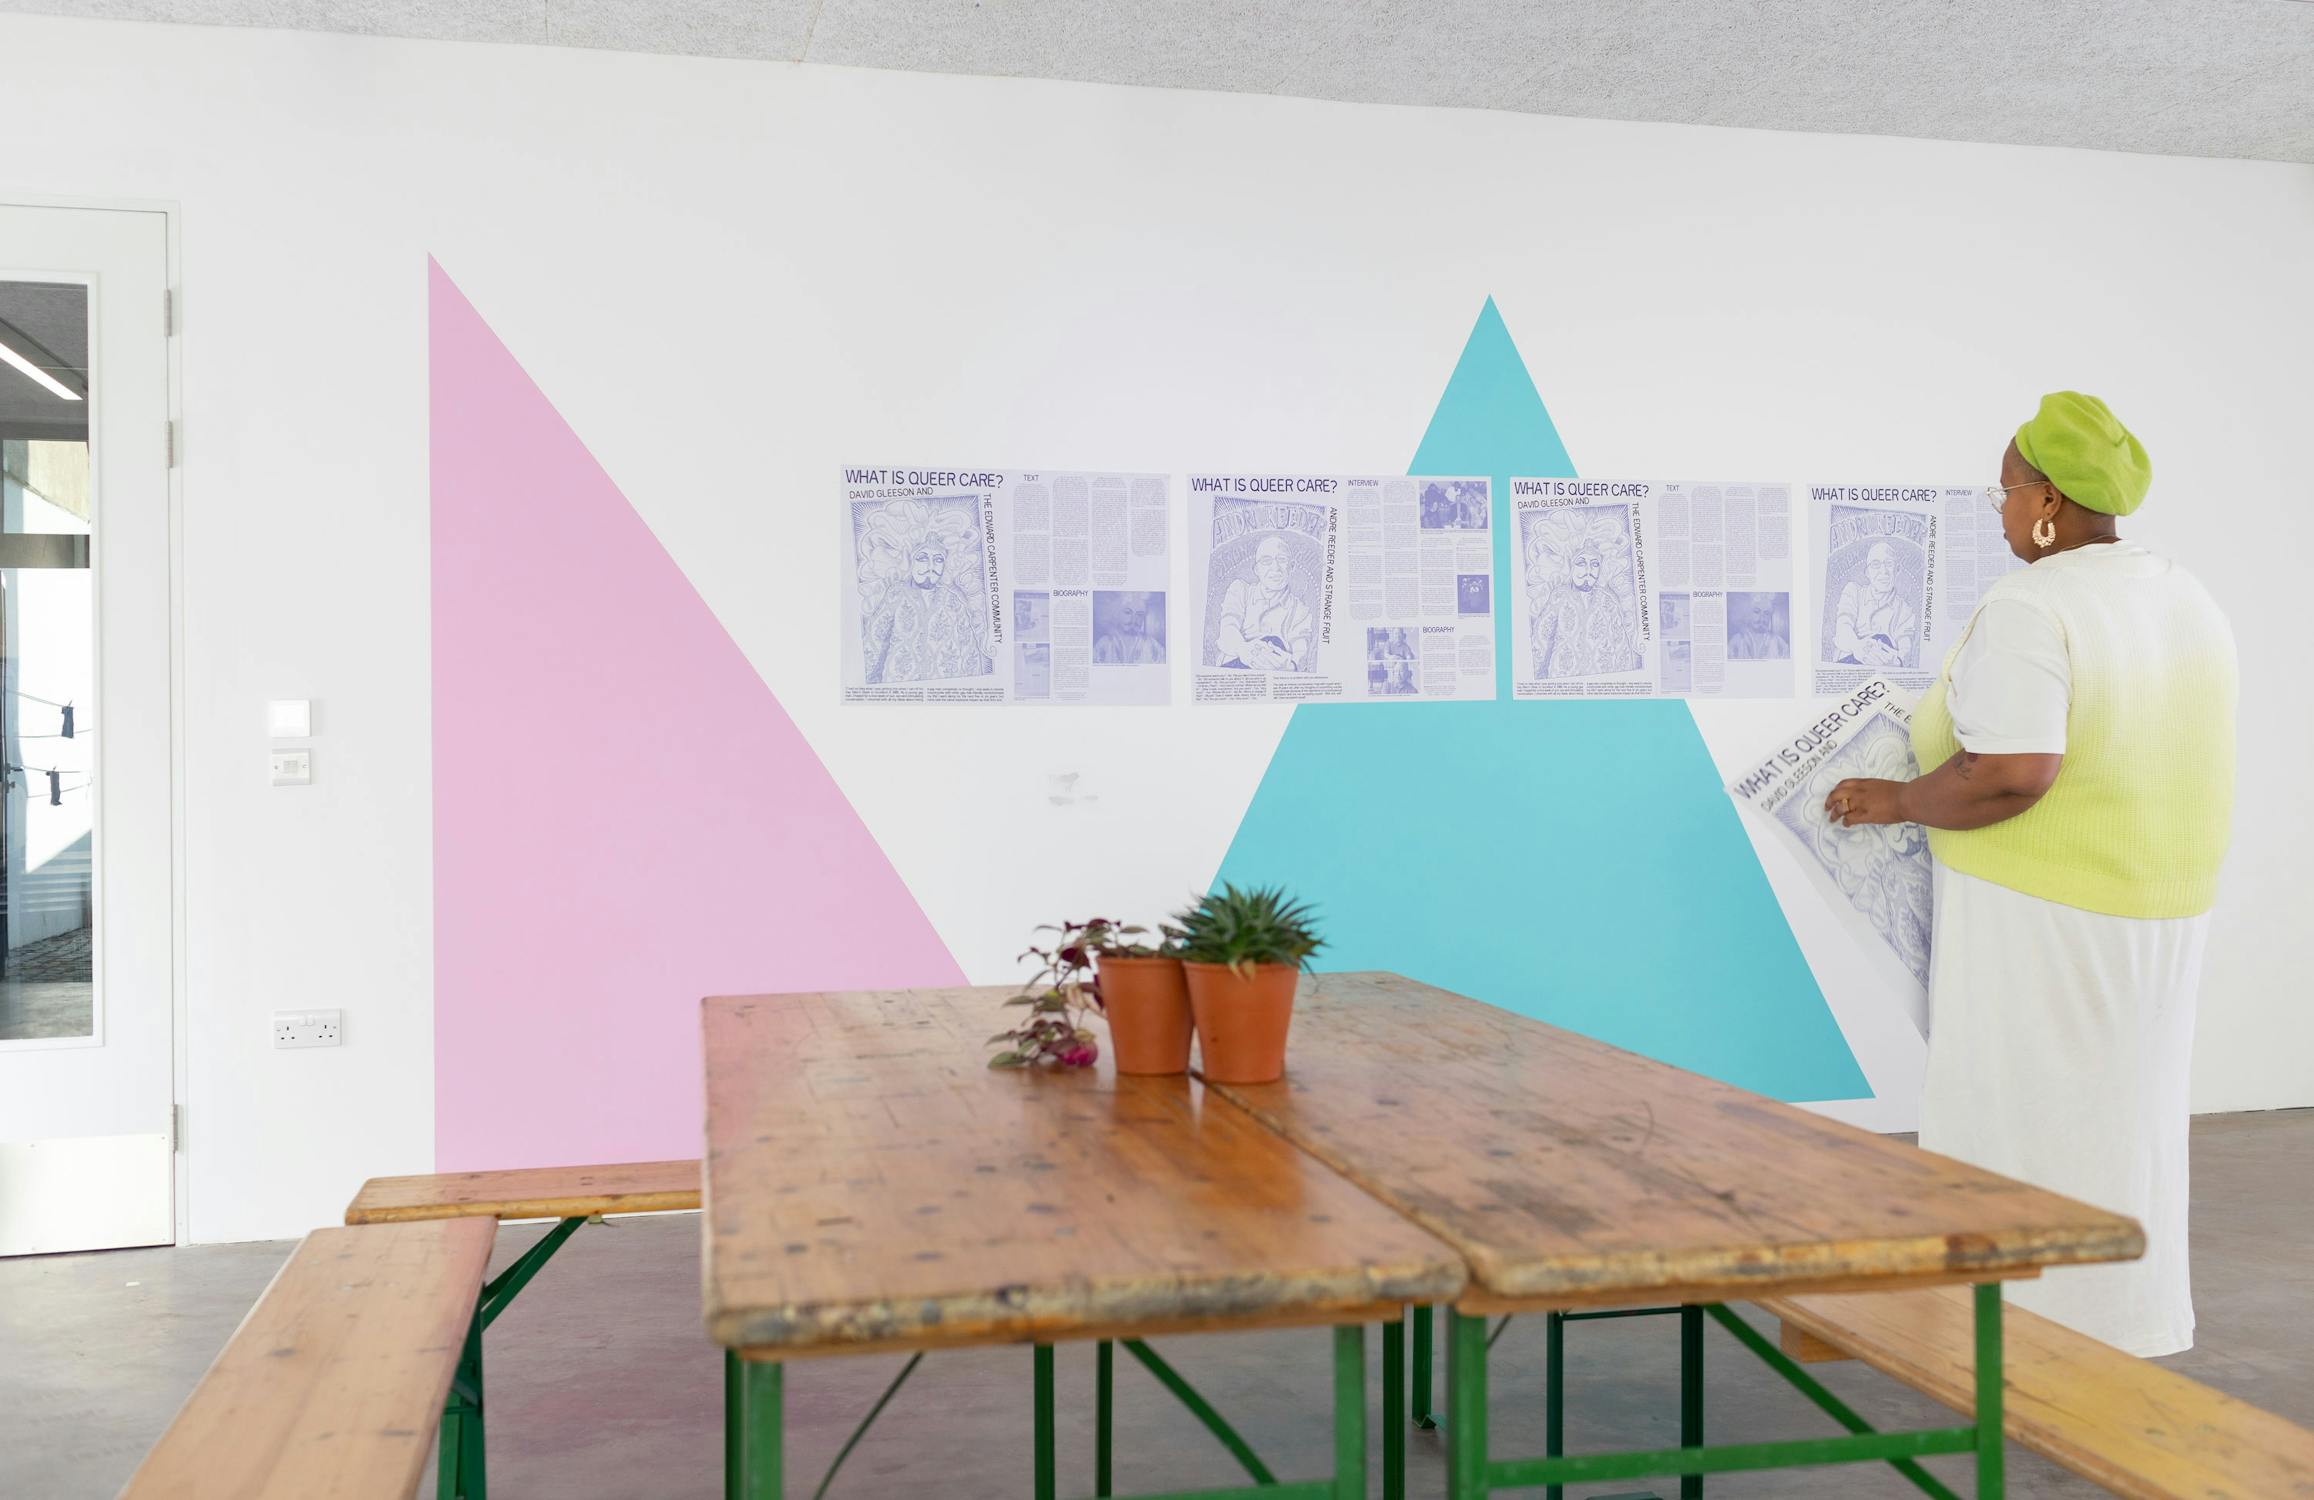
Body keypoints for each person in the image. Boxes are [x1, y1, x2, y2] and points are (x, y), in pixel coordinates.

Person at [1826, 391, 2236, 1356]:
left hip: (2044, 917)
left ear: (2047, 499)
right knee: (2120, 1129)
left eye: (2005, 493)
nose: (2000, 511)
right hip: (2159, 907)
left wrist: (1892, 800)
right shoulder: (2182, 590)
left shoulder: (2034, 602)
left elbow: (2011, 772)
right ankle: (2120, 1327)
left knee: (2021, 1125)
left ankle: (2022, 1340)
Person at [1217, 537, 1313, 671]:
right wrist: (1243, 650)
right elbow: (1227, 629)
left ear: (1291, 567)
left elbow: (1301, 652)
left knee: (1276, 642)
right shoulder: (1240, 591)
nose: (1275, 568)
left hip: (1277, 673)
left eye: (1282, 560)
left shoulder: (1300, 611)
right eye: (1266, 561)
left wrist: (1289, 666)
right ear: (1256, 569)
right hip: (1235, 668)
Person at [1834, 542, 1920, 667]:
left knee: (1884, 639)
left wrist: (1895, 661)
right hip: (1849, 663)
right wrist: (1857, 647)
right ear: (1868, 572)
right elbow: (1842, 628)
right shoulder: (1853, 591)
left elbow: (1906, 650)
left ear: (1897, 570)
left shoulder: (1905, 610)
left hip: (1885, 669)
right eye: (1876, 565)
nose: (1883, 571)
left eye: (1889, 564)